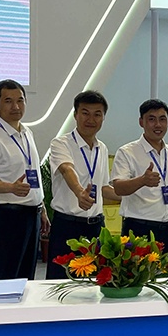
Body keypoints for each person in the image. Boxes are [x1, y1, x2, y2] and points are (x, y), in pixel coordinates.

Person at [0, 79, 50, 280]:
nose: (16, 106)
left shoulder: (27, 133)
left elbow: (33, 174)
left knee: (27, 277)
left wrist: (41, 207)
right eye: (8, 101)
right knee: (5, 276)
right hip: (9, 216)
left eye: (20, 100)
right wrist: (11, 187)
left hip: (32, 215)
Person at [46, 90, 119, 279]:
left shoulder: (102, 148)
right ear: (75, 114)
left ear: (103, 118)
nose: (91, 119)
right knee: (61, 283)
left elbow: (103, 188)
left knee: (95, 282)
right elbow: (66, 169)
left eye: (97, 114)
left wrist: (132, 194)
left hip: (96, 227)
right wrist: (79, 192)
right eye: (85, 113)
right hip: (68, 226)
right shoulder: (61, 143)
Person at [111, 99, 168, 257]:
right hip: (139, 230)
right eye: (151, 119)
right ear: (141, 122)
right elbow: (118, 188)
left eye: (162, 119)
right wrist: (142, 180)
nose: (158, 125)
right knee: (137, 272)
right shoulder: (127, 152)